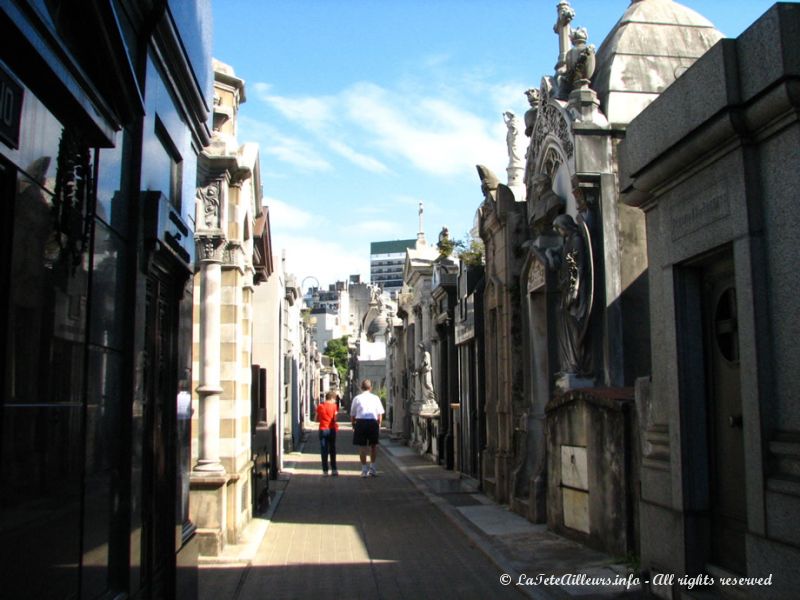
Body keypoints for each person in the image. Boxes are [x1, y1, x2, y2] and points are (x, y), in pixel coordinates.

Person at [350, 379, 384, 477]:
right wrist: (379, 424)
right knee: (373, 446)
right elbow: (380, 414)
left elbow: (352, 414)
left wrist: (353, 425)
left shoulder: (357, 398)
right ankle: (373, 468)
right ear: (371, 388)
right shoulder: (375, 398)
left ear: (361, 387)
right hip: (372, 422)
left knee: (362, 447)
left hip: (360, 422)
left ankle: (364, 470)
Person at [316, 390, 340, 476]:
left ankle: (325, 471)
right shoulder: (334, 407)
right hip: (331, 429)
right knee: (332, 449)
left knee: (324, 450)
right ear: (332, 398)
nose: (335, 401)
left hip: (322, 429)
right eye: (335, 399)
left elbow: (317, 419)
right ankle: (334, 469)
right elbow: (335, 419)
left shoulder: (320, 406)